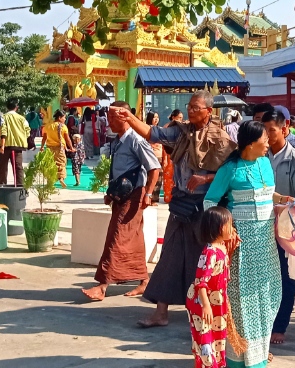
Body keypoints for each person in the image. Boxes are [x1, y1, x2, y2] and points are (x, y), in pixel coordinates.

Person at [122, 92, 237, 329]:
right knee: (170, 256)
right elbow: (153, 133)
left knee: (205, 259)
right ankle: (160, 313)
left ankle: (209, 312)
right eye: (189, 106)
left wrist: (205, 178)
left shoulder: (220, 138)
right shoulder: (181, 132)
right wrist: (129, 118)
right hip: (181, 204)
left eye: (196, 107)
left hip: (206, 207)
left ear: (208, 111)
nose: (191, 111)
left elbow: (232, 172)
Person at [204, 120, 290, 368]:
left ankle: (259, 355)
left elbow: (267, 193)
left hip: (266, 245)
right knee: (241, 302)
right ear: (250, 144)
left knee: (268, 296)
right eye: (265, 140)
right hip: (241, 246)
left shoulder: (265, 162)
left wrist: (282, 199)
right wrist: (226, 231)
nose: (268, 143)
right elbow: (209, 202)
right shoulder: (230, 169)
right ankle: (238, 359)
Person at [82, 101, 162, 302]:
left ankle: (102, 285)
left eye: (112, 118)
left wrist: (148, 194)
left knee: (116, 237)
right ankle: (144, 280)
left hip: (134, 196)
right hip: (121, 195)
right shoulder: (118, 141)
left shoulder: (136, 140)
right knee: (132, 237)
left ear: (125, 117)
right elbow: (117, 171)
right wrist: (110, 193)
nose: (109, 122)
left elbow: (154, 168)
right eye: (108, 117)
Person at [262, 110, 295, 346]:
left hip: (285, 229)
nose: (267, 135)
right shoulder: (259, 156)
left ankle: (280, 326)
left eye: (271, 130)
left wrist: (284, 214)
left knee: (285, 277)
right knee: (263, 277)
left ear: (284, 129)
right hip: (260, 226)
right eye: (264, 130)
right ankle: (263, 323)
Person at [186, 206, 238, 368]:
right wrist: (206, 305)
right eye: (230, 225)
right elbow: (201, 281)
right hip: (203, 302)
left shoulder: (222, 247)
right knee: (205, 340)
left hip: (217, 301)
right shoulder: (210, 253)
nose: (233, 228)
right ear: (220, 228)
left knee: (217, 337)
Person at [0, 98, 30, 187]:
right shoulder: (22, 118)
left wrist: (2, 145)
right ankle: (20, 186)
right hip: (18, 147)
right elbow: (27, 131)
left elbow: (3, 131)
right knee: (18, 167)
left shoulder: (3, 117)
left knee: (3, 167)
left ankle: (1, 186)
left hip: (6, 146)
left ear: (7, 107)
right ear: (16, 107)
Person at [43, 109, 73, 186]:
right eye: (64, 117)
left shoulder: (48, 126)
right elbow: (67, 139)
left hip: (49, 148)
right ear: (59, 118)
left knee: (51, 163)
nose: (65, 119)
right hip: (59, 148)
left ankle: (50, 180)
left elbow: (44, 138)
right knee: (61, 163)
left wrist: (42, 147)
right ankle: (61, 178)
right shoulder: (63, 126)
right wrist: (71, 147)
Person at [162, 109, 184, 204]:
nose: (181, 120)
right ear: (173, 117)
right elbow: (163, 145)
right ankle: (168, 197)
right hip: (168, 155)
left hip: (178, 155)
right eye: (179, 118)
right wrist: (164, 159)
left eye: (182, 118)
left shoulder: (182, 128)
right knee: (168, 176)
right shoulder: (167, 127)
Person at [146, 112, 165, 204]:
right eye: (154, 117)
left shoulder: (160, 130)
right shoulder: (146, 129)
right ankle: (147, 197)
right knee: (148, 178)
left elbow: (164, 145)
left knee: (159, 178)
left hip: (159, 156)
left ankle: (154, 198)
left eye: (157, 117)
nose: (156, 119)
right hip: (149, 157)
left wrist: (164, 159)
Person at [67, 115, 86, 187]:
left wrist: (69, 150)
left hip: (76, 158)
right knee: (78, 170)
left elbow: (74, 150)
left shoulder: (76, 144)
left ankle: (78, 181)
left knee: (76, 170)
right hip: (80, 158)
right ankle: (78, 181)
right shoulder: (81, 144)